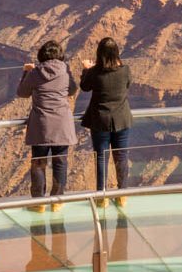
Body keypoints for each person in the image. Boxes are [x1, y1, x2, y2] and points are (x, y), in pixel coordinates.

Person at [17, 40, 76, 208]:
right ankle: (57, 201)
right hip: (62, 125)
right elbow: (72, 90)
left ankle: (39, 203)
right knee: (60, 162)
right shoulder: (65, 71)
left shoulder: (35, 73)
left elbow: (22, 93)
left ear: (42, 55)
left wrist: (25, 73)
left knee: (39, 162)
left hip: (41, 125)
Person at [80, 37, 131, 200]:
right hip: (122, 119)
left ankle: (102, 197)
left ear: (99, 53)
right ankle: (122, 195)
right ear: (116, 53)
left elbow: (84, 87)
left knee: (101, 157)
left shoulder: (95, 72)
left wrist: (86, 69)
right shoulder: (125, 70)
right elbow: (127, 85)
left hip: (100, 121)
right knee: (121, 155)